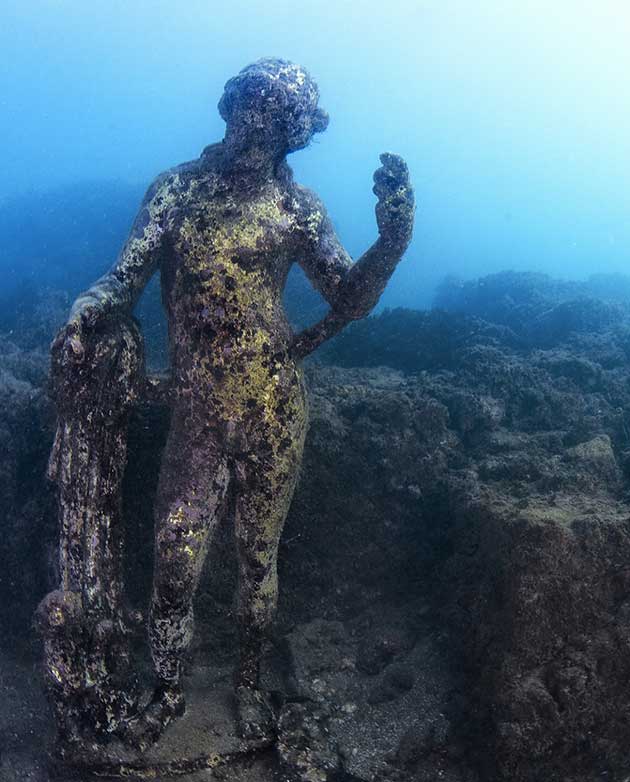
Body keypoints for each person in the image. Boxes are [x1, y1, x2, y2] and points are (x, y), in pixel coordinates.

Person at [52, 58, 414, 746]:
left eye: (276, 109)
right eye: (251, 98)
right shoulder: (177, 192)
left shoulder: (296, 208)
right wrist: (89, 308)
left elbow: (350, 300)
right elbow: (124, 278)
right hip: (197, 410)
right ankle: (167, 690)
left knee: (256, 560)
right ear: (230, 104)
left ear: (292, 131)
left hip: (273, 404)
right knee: (174, 559)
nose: (257, 114)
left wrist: (392, 244)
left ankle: (247, 685)